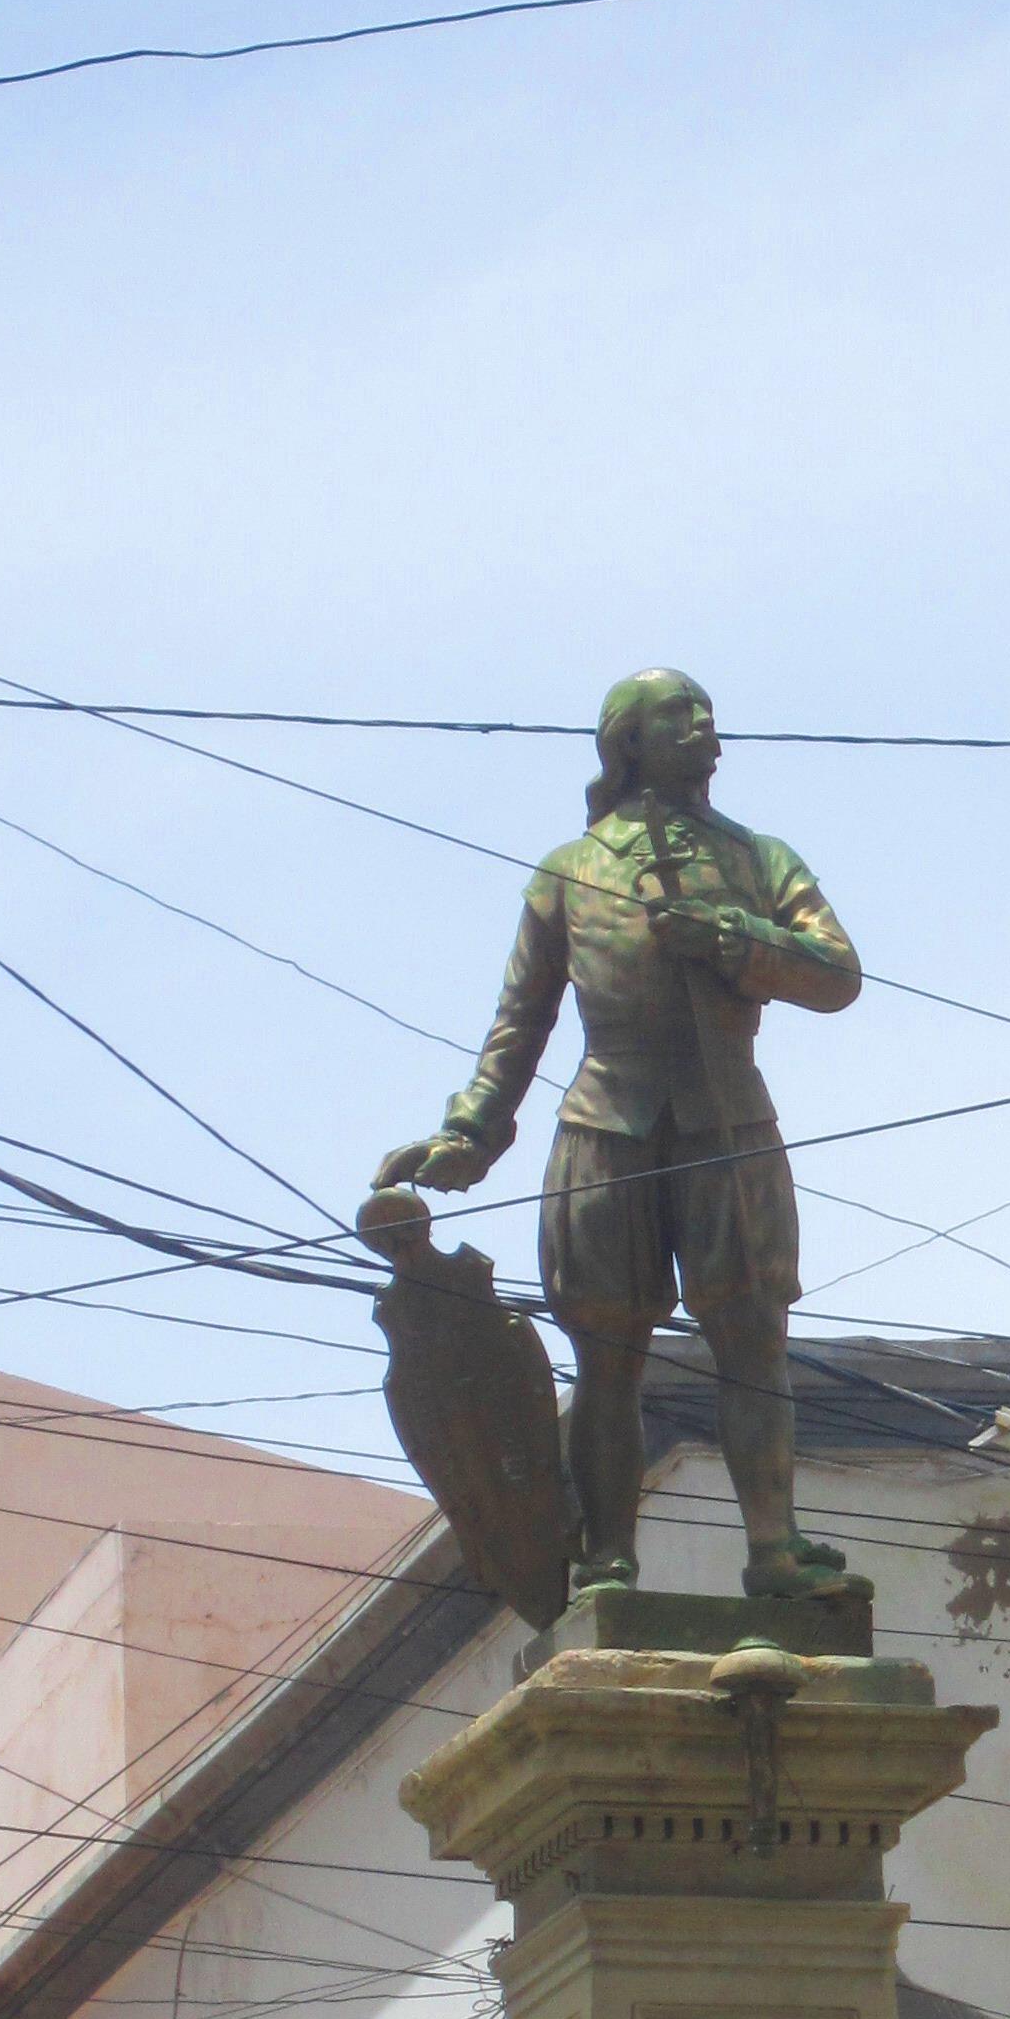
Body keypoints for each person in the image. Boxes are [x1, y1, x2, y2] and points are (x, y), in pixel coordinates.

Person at [372, 664, 861, 1600]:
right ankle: (606, 1559)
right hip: (607, 1120)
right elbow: (521, 1021)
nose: (705, 725)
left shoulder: (760, 858)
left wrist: (729, 936)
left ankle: (775, 1550)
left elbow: (835, 972)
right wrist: (470, 1133)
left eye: (708, 712)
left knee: (754, 1344)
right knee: (606, 1359)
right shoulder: (569, 870)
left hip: (729, 1117)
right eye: (680, 713)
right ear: (628, 740)